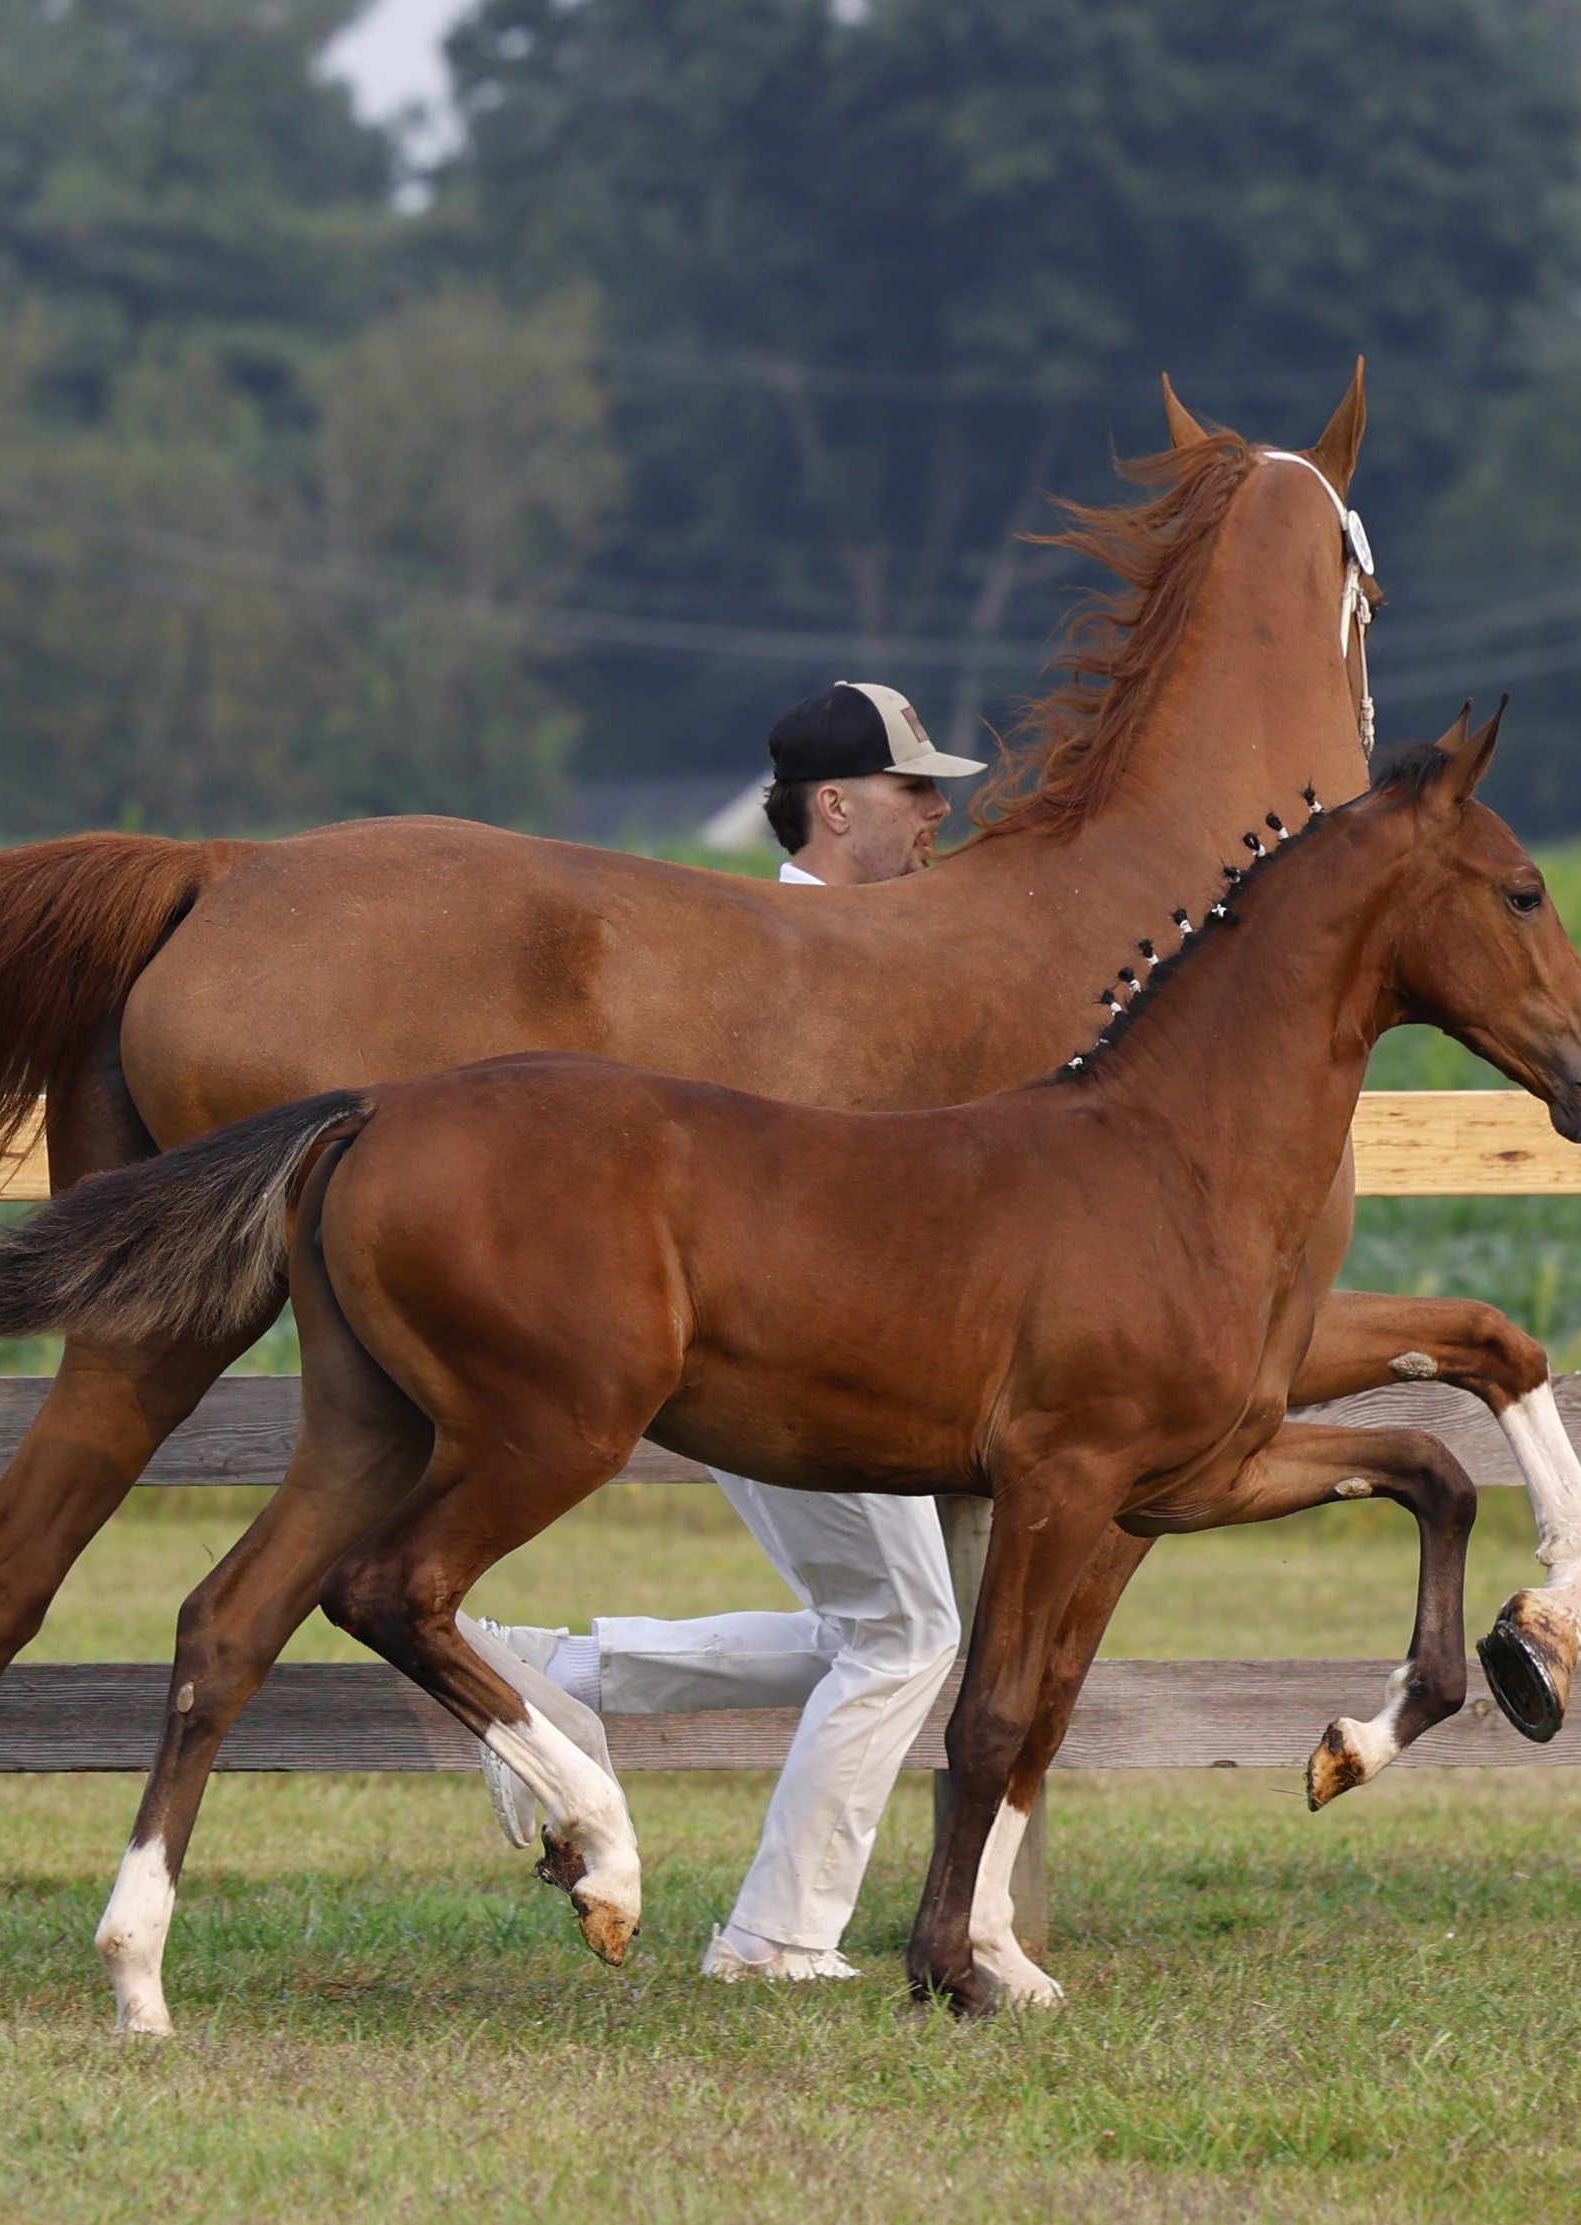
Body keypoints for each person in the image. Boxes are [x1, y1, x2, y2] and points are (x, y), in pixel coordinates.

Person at [481, 680, 990, 1982]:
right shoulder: (775, 961)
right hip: (791, 1347)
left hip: (836, 1343)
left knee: (869, 1628)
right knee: (907, 1635)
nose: (939, 809)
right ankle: (775, 1936)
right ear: (837, 807)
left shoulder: (857, 950)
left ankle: (560, 1669)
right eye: (913, 786)